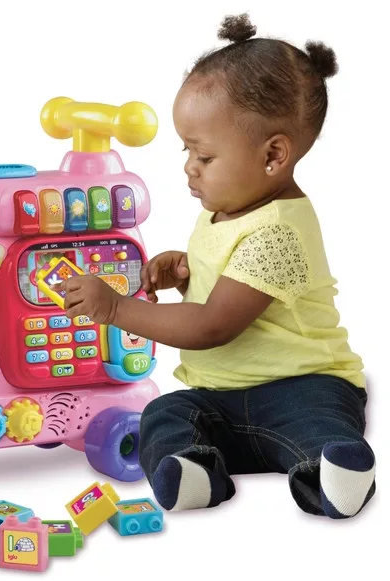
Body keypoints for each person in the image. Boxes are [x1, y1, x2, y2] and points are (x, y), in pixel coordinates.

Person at [53, 13, 375, 519]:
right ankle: (196, 472)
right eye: (187, 150)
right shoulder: (229, 209)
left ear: (273, 155)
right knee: (165, 413)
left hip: (303, 387)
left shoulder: (278, 231)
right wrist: (189, 271)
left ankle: (332, 472)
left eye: (203, 156)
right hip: (223, 398)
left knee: (316, 426)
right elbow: (233, 282)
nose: (189, 166)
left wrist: (115, 308)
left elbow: (212, 325)